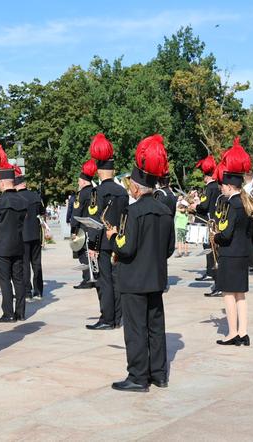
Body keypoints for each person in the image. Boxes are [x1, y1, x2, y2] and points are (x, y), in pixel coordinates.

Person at [106, 135, 174, 392]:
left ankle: (138, 376)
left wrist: (113, 238)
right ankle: (159, 374)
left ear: (136, 188)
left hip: (133, 279)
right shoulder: (166, 211)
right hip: (156, 278)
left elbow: (127, 247)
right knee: (156, 327)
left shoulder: (133, 213)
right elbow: (168, 249)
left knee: (136, 329)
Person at [86, 133, 129, 330]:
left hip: (103, 242)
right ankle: (118, 317)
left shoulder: (97, 192)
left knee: (104, 282)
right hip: (118, 240)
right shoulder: (123, 191)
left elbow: (95, 221)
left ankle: (107, 318)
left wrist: (93, 245)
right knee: (117, 280)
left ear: (99, 172)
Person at [212, 138, 252, 346]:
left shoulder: (231, 204)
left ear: (229, 186)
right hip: (242, 252)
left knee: (228, 294)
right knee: (240, 295)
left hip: (230, 253)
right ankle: (243, 332)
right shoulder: (244, 203)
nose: (222, 189)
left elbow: (225, 233)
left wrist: (215, 236)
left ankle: (232, 333)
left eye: (223, 186)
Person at [0, 144, 28, 322]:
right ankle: (20, 312)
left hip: (2, 247)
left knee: (5, 281)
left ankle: (8, 313)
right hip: (18, 245)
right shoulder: (22, 201)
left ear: (4, 183)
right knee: (19, 280)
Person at [191, 155, 222, 296]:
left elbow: (204, 206)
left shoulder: (210, 187)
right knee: (212, 251)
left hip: (209, 221)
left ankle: (214, 277)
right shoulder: (216, 187)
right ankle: (213, 275)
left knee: (211, 251)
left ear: (207, 176)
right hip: (216, 220)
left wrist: (195, 206)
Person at [15, 167, 46, 301]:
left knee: (24, 264)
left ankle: (27, 292)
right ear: (25, 184)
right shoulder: (35, 196)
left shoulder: (16, 198)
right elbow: (42, 213)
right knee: (37, 263)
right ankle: (38, 291)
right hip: (35, 234)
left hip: (22, 235)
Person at [71, 159, 98, 289]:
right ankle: (95, 277)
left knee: (83, 256)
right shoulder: (95, 191)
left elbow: (77, 212)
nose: (78, 182)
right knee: (93, 254)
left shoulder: (81, 194)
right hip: (94, 227)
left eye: (79, 180)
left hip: (83, 229)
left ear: (83, 181)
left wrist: (73, 230)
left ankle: (87, 279)